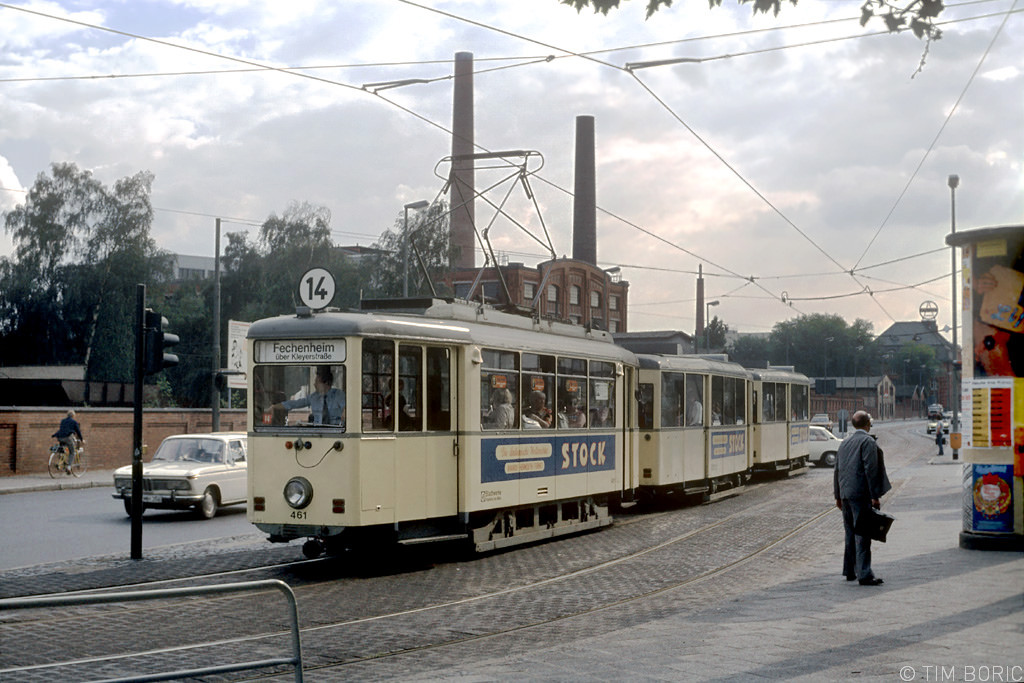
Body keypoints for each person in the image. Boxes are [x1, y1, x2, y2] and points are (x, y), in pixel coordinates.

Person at [833, 410, 892, 586]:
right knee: (863, 534)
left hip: (845, 495)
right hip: (860, 495)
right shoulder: (867, 442)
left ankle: (849, 570)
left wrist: (838, 495)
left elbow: (837, 470)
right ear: (867, 425)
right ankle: (864, 574)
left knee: (850, 533)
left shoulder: (844, 442)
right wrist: (875, 496)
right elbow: (870, 469)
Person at [275, 366, 345, 426]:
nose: (314, 384)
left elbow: (347, 408)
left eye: (317, 382)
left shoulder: (338, 395)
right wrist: (274, 407)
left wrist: (344, 413)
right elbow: (295, 403)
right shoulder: (314, 397)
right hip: (318, 432)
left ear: (326, 383)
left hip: (336, 431)